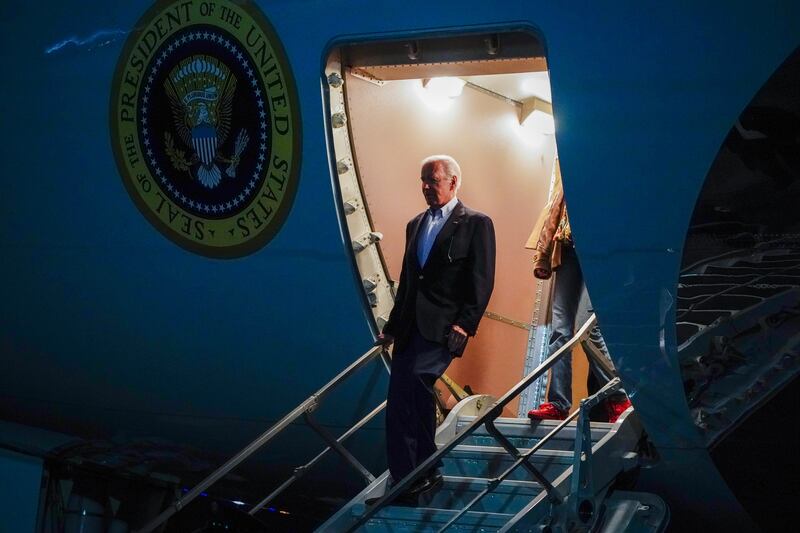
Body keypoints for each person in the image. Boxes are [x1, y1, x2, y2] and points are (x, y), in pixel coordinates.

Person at [376, 154, 496, 502]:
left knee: (416, 383)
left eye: (433, 180)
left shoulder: (476, 223)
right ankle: (403, 478)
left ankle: (426, 469)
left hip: (445, 328)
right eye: (423, 180)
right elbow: (409, 282)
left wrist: (467, 323)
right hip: (411, 326)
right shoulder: (415, 224)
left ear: (453, 182)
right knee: (399, 400)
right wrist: (392, 327)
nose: (426, 186)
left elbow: (482, 279)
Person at [525, 161, 631, 422]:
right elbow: (555, 208)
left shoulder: (611, 160)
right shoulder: (570, 160)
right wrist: (542, 257)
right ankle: (558, 403)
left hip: (600, 252)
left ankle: (618, 396)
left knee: (587, 327)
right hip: (569, 247)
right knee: (560, 328)